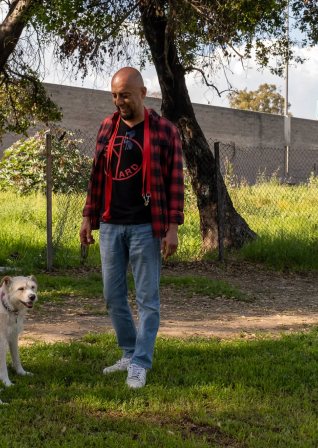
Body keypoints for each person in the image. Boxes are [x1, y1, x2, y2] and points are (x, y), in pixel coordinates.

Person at [79, 67, 184, 388]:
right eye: (114, 95)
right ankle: (128, 351)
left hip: (146, 227)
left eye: (124, 94)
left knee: (147, 299)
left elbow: (175, 181)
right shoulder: (107, 128)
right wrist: (88, 216)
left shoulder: (165, 131)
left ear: (142, 92)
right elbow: (97, 176)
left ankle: (140, 363)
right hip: (111, 224)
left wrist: (173, 227)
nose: (118, 101)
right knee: (113, 296)